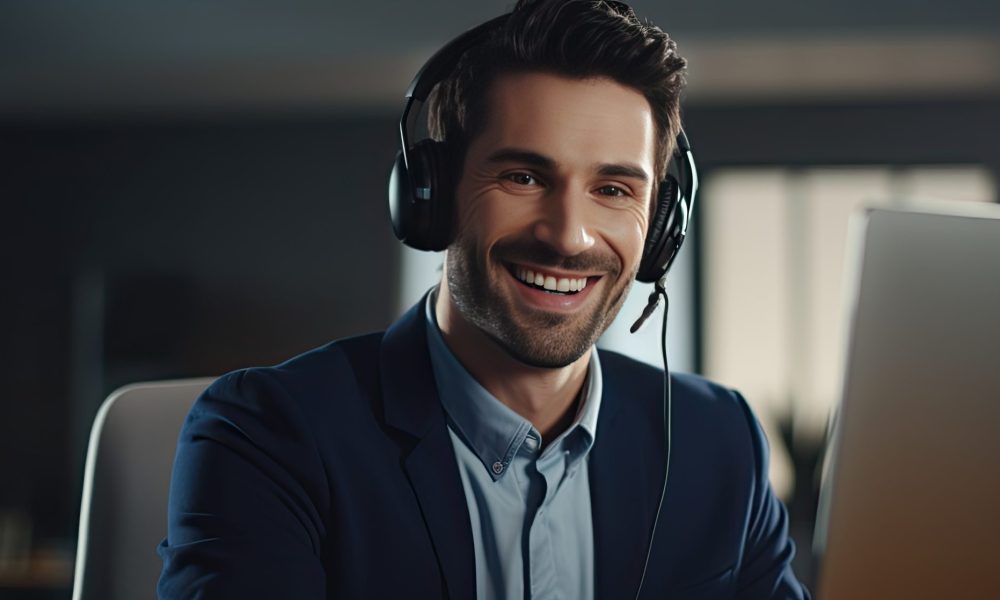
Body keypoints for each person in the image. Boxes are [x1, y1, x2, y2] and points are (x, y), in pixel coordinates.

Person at [158, 1, 810, 598]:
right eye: (523, 177)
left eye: (613, 189)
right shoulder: (269, 436)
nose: (568, 236)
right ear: (432, 195)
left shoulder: (717, 441)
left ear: (661, 224)